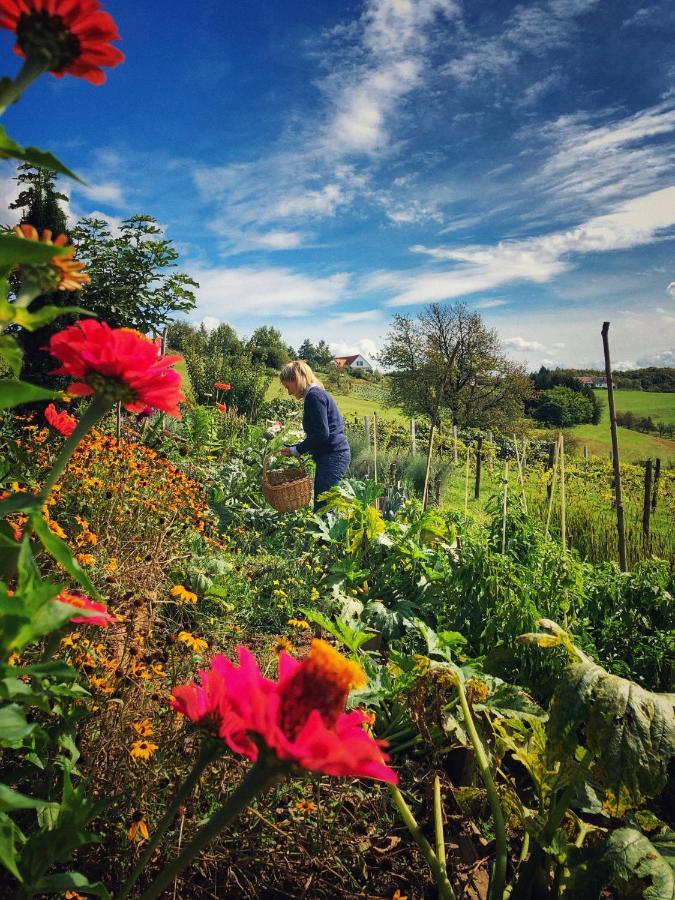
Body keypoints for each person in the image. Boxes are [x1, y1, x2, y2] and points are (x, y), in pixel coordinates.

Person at [278, 360, 350, 511]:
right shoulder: (314, 394)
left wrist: (297, 450)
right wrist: (295, 448)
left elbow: (322, 434)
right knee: (326, 505)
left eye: (288, 387)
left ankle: (330, 535)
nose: (289, 392)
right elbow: (319, 433)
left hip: (333, 456)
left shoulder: (314, 396)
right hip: (332, 455)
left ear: (295, 378)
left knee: (324, 508)